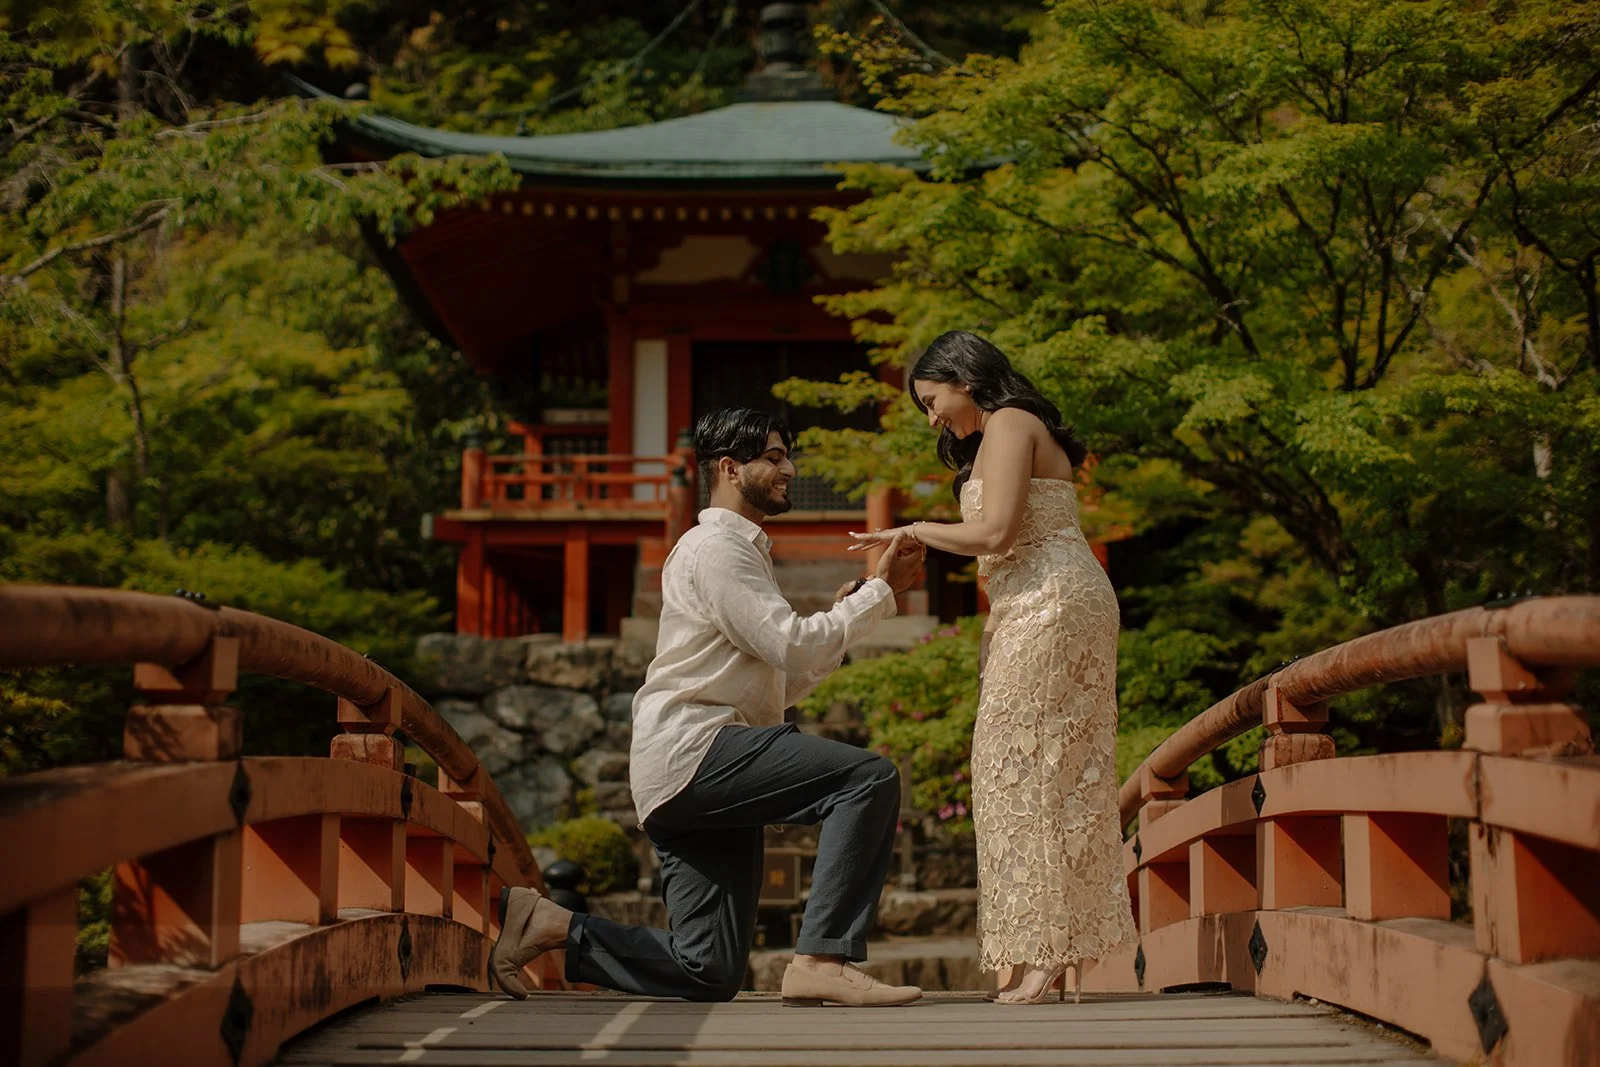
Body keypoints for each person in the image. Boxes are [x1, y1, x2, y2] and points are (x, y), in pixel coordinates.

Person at [491, 406, 928, 1007]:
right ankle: (823, 958)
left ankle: (554, 926)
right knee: (867, 779)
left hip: (686, 771)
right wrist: (878, 594)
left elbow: (781, 674)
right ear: (729, 467)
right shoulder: (717, 548)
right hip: (699, 750)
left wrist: (860, 607)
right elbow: (791, 642)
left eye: (786, 456)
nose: (789, 468)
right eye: (773, 457)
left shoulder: (731, 551)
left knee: (708, 971)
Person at [850, 330, 1136, 1005]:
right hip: (1027, 604)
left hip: (1054, 600)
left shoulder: (1011, 420)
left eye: (931, 399)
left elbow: (998, 532)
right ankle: (1029, 947)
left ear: (965, 378)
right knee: (1013, 767)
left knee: (1034, 768)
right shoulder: (996, 436)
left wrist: (915, 529)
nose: (931, 417)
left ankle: (1044, 952)